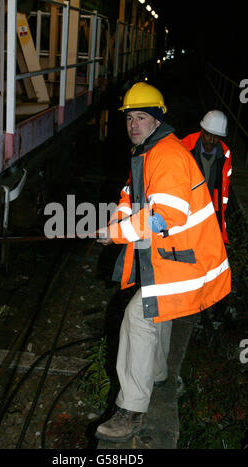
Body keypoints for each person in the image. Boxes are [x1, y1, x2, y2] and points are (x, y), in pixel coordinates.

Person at [95, 82, 231, 443]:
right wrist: (113, 224)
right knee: (156, 310)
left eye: (141, 118)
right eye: (129, 118)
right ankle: (155, 374)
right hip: (179, 256)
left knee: (138, 317)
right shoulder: (146, 153)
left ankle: (131, 410)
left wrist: (120, 233)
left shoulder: (166, 156)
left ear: (157, 120)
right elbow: (130, 195)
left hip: (190, 261)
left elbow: (164, 217)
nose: (133, 124)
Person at [181, 110, 232, 244]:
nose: (211, 140)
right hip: (185, 214)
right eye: (208, 135)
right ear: (201, 130)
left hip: (208, 216)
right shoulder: (184, 150)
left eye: (216, 137)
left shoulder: (224, 156)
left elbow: (222, 193)